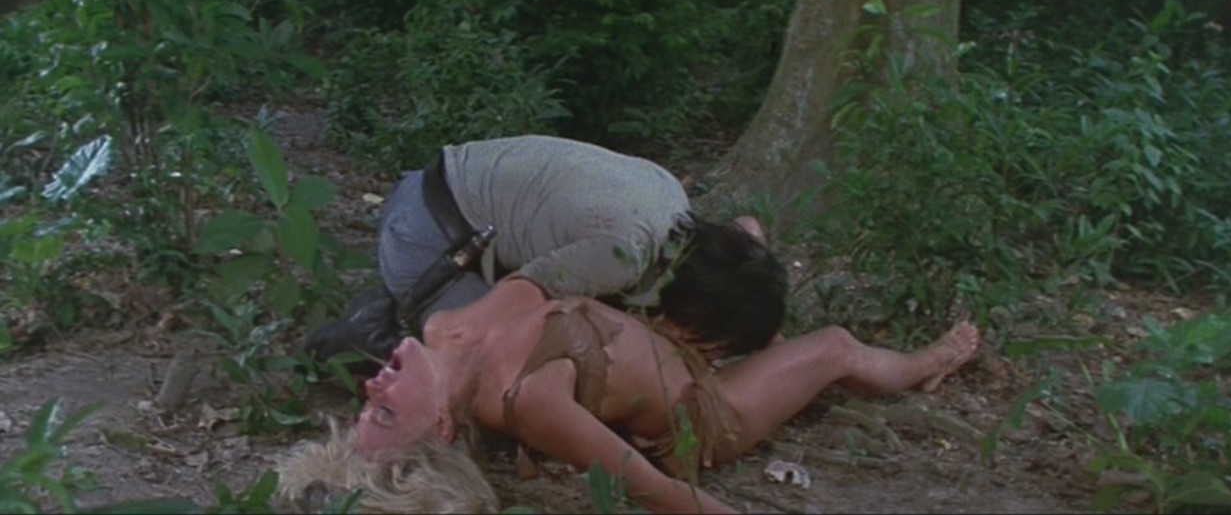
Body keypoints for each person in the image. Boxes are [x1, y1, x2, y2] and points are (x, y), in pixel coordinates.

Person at [278, 232, 982, 513]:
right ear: (441, 424)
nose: (371, 383)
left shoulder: (446, 327)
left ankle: (751, 337)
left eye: (369, 400)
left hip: (669, 340)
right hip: (703, 410)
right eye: (385, 409)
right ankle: (927, 364)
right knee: (833, 346)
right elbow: (657, 489)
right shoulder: (528, 402)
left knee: (743, 234)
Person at [302, 135, 787, 374]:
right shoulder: (619, 254)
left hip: (450, 194)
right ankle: (373, 334)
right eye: (704, 344)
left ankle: (414, 304)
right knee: (511, 366)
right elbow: (515, 300)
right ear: (698, 312)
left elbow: (748, 228)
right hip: (425, 231)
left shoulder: (672, 205)